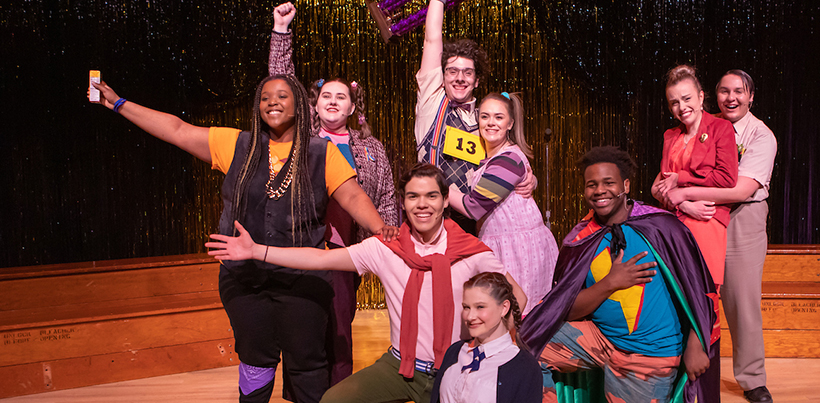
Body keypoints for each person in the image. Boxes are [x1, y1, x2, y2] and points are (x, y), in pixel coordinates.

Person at [90, 74, 395, 403]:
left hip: (302, 278)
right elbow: (177, 131)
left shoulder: (322, 154)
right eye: (265, 98)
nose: (272, 102)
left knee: (307, 364)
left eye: (281, 96)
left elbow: (353, 197)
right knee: (255, 359)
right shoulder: (236, 144)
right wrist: (119, 104)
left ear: (299, 107)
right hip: (245, 279)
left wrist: (384, 232)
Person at [207, 163, 527, 403]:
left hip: (456, 367)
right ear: (402, 203)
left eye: (432, 195)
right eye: (413, 196)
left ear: (445, 201)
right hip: (400, 367)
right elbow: (319, 259)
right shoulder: (386, 248)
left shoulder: (471, 251)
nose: (422, 204)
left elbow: (517, 300)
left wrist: (488, 352)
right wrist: (256, 251)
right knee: (334, 400)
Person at [519, 146, 720, 403]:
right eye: (591, 184)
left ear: (625, 185)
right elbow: (565, 307)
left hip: (648, 357)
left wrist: (697, 344)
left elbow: (700, 292)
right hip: (599, 342)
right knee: (528, 344)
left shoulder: (663, 228)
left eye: (608, 182)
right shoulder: (582, 238)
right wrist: (611, 283)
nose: (600, 190)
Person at [268, 3, 400, 387]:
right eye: (327, 95)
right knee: (303, 330)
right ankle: (304, 394)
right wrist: (281, 31)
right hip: (303, 249)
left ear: (352, 106)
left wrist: (389, 241)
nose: (333, 101)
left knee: (341, 331)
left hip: (345, 255)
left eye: (341, 97)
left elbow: (386, 197)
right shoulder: (303, 140)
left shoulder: (370, 147)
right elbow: (282, 83)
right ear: (314, 103)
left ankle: (339, 394)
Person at [667, 70, 776, 403]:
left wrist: (685, 194)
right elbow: (672, 172)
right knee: (695, 295)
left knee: (742, 303)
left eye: (739, 92)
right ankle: (691, 373)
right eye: (724, 91)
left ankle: (752, 378)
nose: (731, 98)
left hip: (743, 219)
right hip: (701, 220)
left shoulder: (760, 135)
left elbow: (739, 188)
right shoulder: (705, 128)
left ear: (751, 95)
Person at [416, 0, 536, 234]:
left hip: (472, 222)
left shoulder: (484, 120)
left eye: (467, 72)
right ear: (442, 76)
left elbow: (504, 164)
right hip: (430, 217)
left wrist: (530, 180)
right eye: (452, 71)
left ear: (476, 80)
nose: (459, 78)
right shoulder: (432, 103)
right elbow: (432, 40)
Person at [447, 92, 557, 315]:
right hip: (504, 243)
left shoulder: (507, 158)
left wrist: (440, 189)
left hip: (519, 249)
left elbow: (474, 207)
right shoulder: (487, 154)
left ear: (510, 123)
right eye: (485, 116)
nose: (491, 123)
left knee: (517, 315)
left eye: (498, 117)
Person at [652, 64, 738, 288]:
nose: (682, 107)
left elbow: (727, 178)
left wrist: (680, 180)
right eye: (674, 102)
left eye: (687, 98)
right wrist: (685, 206)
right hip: (674, 219)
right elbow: (660, 188)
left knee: (703, 293)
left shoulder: (721, 128)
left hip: (706, 218)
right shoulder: (670, 136)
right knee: (673, 293)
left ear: (701, 98)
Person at [431, 272, 543, 403]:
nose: (470, 316)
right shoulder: (455, 352)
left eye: (480, 307)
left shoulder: (524, 367)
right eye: (466, 307)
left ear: (504, 308)